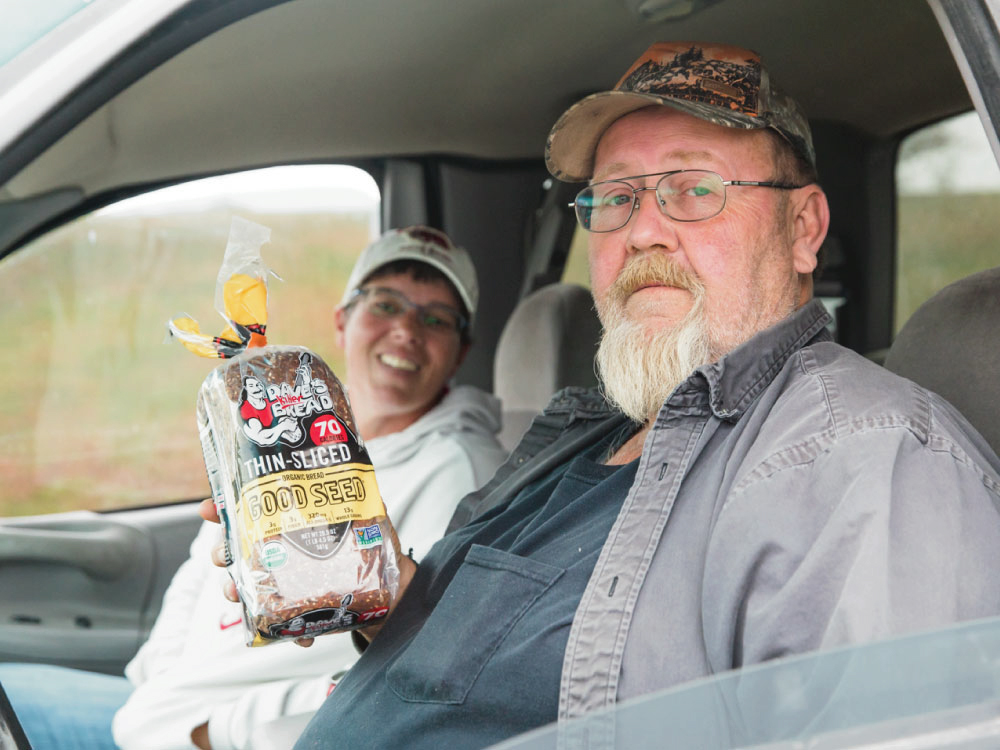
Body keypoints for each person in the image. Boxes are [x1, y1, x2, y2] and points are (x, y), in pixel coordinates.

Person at [201, 42, 1000, 750]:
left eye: (693, 189)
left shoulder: (871, 459)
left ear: (804, 228)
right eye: (616, 197)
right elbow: (501, 670)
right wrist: (369, 586)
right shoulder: (583, 435)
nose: (642, 230)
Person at [0, 225, 508, 750]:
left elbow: (417, 667)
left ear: (461, 349)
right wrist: (156, 683)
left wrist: (220, 732)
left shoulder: (460, 473)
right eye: (385, 304)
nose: (406, 330)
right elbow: (204, 564)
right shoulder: (287, 424)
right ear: (342, 320)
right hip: (154, 716)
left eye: (435, 319)